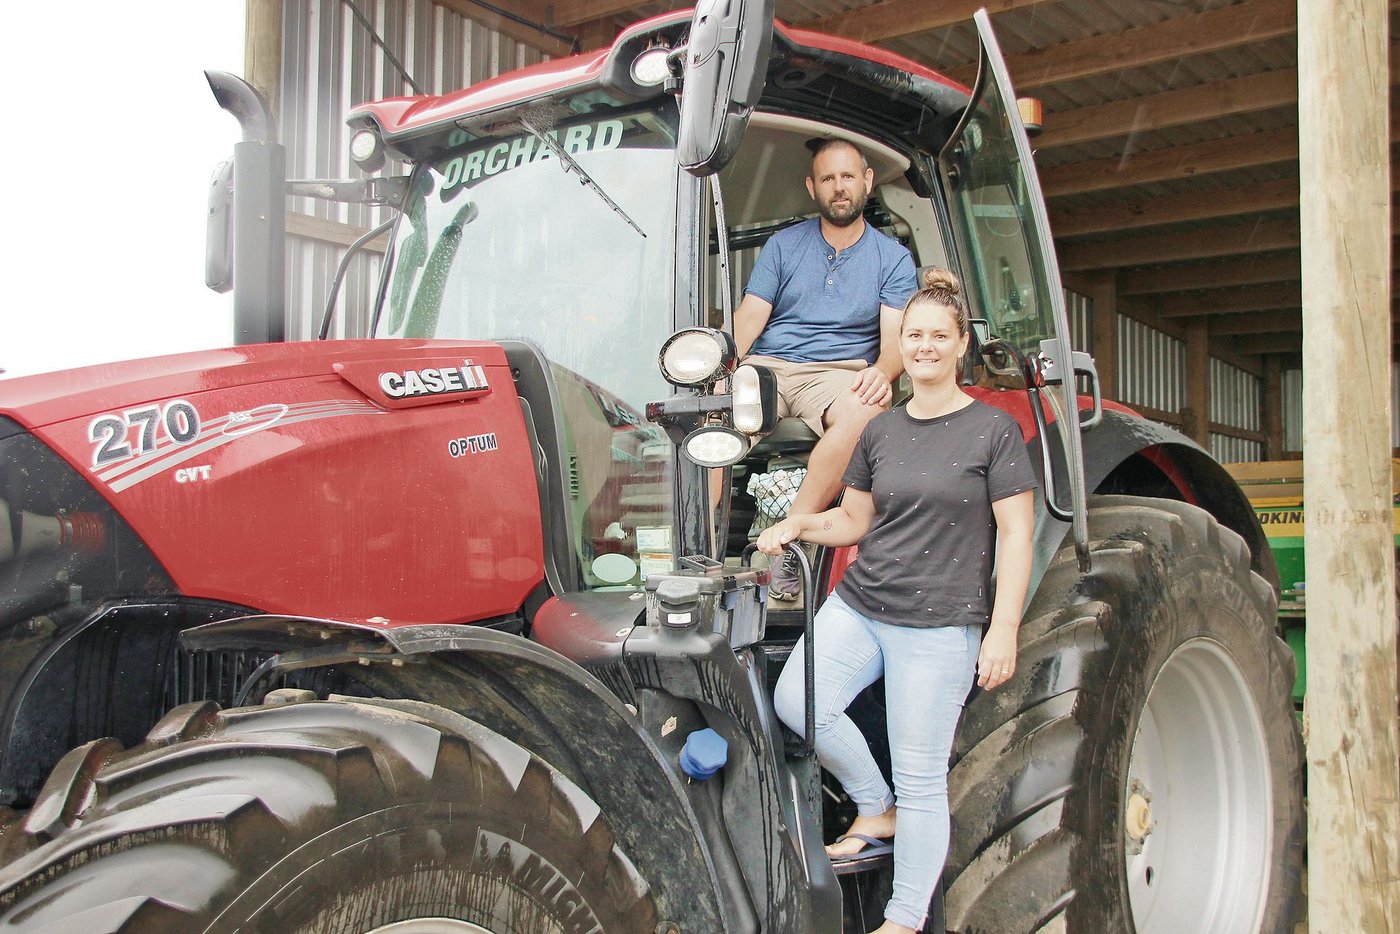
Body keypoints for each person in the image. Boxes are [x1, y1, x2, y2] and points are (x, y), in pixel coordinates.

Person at [758, 269, 1036, 934]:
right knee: (797, 700)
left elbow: (1017, 533)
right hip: (863, 603)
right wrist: (799, 523)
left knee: (922, 779)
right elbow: (853, 522)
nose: (926, 345)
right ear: (901, 344)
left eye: (940, 335)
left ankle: (905, 919)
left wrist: (1003, 630)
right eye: (914, 335)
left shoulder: (992, 431)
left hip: (938, 627)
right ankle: (871, 804)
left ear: (962, 345)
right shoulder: (880, 431)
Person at [735, 138, 918, 600]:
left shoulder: (891, 258)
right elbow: (750, 319)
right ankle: (693, 547)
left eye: (848, 177)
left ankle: (786, 541)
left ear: (866, 182)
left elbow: (896, 339)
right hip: (769, 365)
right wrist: (721, 365)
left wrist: (882, 370)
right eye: (829, 179)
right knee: (712, 408)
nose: (840, 188)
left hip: (837, 373)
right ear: (812, 187)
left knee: (866, 411)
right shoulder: (783, 245)